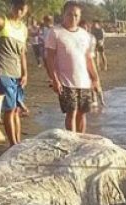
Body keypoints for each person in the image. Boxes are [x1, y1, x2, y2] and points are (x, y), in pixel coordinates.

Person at [44, 1, 100, 133]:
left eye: (76, 15)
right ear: (63, 15)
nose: (73, 18)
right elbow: (49, 58)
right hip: (66, 81)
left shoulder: (85, 36)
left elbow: (89, 59)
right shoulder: (55, 32)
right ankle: (72, 141)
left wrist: (96, 79)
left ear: (80, 17)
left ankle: (80, 140)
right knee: (72, 112)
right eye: (69, 14)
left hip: (84, 81)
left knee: (82, 113)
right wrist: (54, 80)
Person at [0, 0, 28, 146]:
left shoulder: (23, 28)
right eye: (17, 7)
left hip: (17, 74)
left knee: (16, 110)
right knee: (9, 109)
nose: (19, 11)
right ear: (11, 6)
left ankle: (18, 143)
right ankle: (13, 144)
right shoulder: (0, 21)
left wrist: (25, 74)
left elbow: (22, 53)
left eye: (22, 8)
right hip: (2, 70)